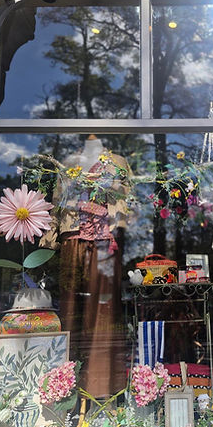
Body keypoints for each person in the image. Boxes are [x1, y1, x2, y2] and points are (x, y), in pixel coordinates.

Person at [40, 135, 131, 398]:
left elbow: (127, 201)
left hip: (105, 244)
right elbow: (57, 202)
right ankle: (63, 389)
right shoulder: (69, 162)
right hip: (73, 240)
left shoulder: (118, 162)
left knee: (104, 316)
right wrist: (49, 237)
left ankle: (102, 388)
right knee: (70, 313)